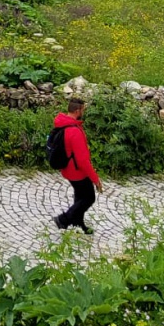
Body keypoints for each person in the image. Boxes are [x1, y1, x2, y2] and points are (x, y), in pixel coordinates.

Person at [52, 97, 102, 234]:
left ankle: (78, 222)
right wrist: (95, 179)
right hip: (77, 171)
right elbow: (82, 161)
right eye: (83, 109)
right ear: (77, 110)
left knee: (80, 196)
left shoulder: (62, 124)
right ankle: (64, 219)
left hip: (67, 168)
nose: (84, 112)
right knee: (89, 197)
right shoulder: (74, 131)